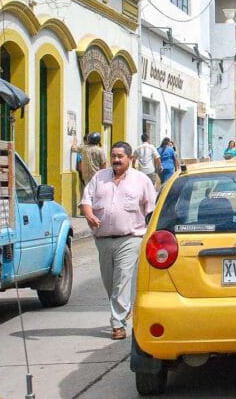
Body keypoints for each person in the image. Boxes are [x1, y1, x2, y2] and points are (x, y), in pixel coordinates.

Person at [80, 141, 156, 340]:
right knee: (110, 282)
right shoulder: (99, 177)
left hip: (130, 238)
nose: (115, 160)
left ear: (130, 159)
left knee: (122, 279)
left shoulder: (141, 181)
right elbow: (86, 200)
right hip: (103, 239)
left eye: (120, 156)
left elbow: (151, 209)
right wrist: (88, 215)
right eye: (113, 156)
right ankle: (123, 308)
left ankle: (118, 324)